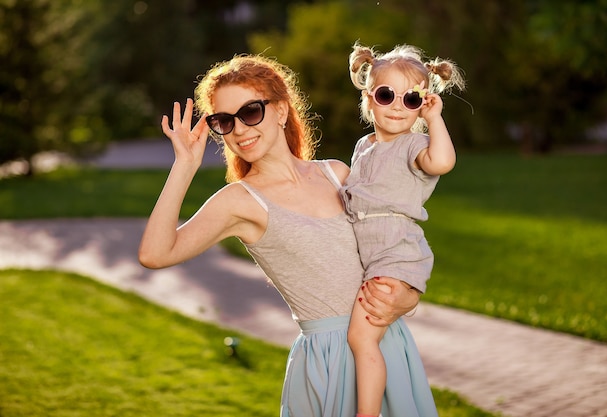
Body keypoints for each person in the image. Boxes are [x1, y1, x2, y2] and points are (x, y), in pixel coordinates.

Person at [138, 53, 437, 417]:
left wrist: (406, 297)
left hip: (386, 342)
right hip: (328, 362)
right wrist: (185, 165)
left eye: (250, 112)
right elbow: (154, 254)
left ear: (280, 111)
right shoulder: (240, 201)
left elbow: (394, 238)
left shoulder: (338, 174)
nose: (241, 130)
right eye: (225, 121)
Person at [342, 42, 465, 417]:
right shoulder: (363, 145)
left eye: (410, 99)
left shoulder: (416, 145)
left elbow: (442, 161)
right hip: (372, 253)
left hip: (396, 252)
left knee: (360, 337)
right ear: (369, 99)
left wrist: (437, 119)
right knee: (370, 335)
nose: (397, 105)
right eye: (386, 95)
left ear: (422, 105)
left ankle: (367, 413)